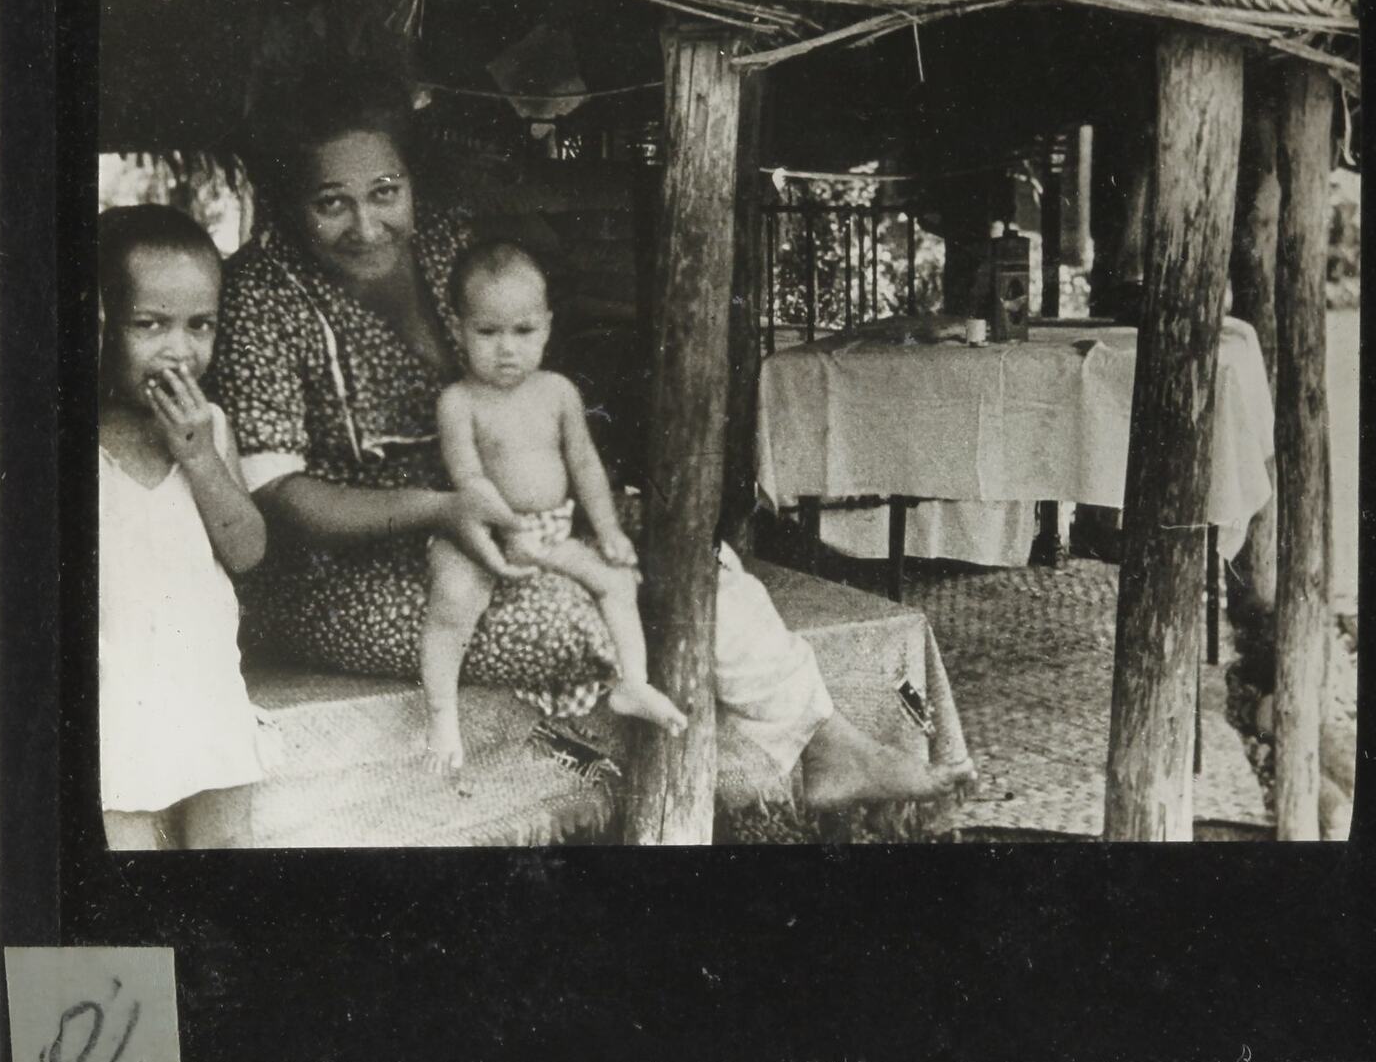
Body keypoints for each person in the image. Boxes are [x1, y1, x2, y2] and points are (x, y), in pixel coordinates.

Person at [212, 63, 972, 811]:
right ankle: (754, 778)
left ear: (411, 179)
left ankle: (827, 745)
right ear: (288, 200)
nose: (366, 225)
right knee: (584, 615)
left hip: (504, 523)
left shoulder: (446, 248)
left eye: (385, 191)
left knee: (681, 553)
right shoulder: (262, 296)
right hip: (345, 570)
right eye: (331, 203)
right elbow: (280, 497)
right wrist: (442, 510)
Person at [421, 240, 686, 776]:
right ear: (458, 328)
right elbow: (467, 477)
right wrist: (504, 525)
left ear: (547, 326)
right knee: (453, 599)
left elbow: (585, 464)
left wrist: (608, 531)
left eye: (523, 331)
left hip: (548, 532)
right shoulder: (459, 401)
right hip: (482, 531)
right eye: (487, 332)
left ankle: (633, 683)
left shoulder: (558, 392)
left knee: (618, 580)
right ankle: (441, 714)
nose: (507, 349)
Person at [98, 206, 268, 849]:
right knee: (125, 844)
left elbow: (247, 551)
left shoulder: (211, 428)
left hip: (204, 682)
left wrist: (200, 459)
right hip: (116, 693)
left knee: (223, 846)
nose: (180, 349)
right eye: (150, 324)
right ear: (102, 324)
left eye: (201, 325)